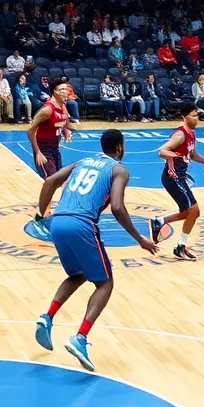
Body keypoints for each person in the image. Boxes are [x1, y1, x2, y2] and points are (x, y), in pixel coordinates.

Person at [32, 130, 159, 372]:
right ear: (120, 147)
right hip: (81, 224)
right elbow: (117, 207)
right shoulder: (118, 170)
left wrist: (40, 216)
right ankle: (80, 338)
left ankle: (47, 317)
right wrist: (139, 238)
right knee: (105, 283)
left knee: (78, 274)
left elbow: (49, 182)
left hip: (58, 222)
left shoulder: (82, 162)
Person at [150, 104, 204, 261]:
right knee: (194, 211)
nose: (196, 118)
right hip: (172, 177)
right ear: (184, 117)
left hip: (179, 177)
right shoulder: (180, 135)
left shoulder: (191, 134)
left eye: (197, 115)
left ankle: (160, 221)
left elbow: (192, 154)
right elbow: (161, 151)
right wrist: (173, 155)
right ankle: (180, 247)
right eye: (193, 115)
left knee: (191, 212)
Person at [27, 80, 74, 177]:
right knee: (51, 180)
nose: (65, 92)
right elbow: (30, 131)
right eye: (62, 89)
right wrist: (38, 152)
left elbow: (62, 121)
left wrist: (65, 130)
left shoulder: (62, 106)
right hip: (43, 150)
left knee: (57, 180)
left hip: (55, 149)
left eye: (66, 89)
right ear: (54, 92)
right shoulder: (47, 110)